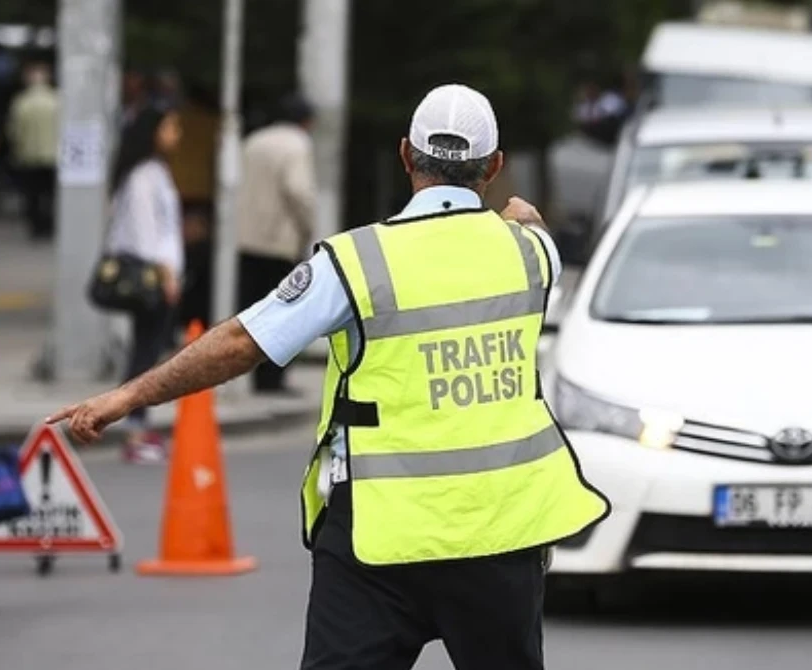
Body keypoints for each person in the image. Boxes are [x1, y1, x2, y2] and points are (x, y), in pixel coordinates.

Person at [47, 83, 611, 669]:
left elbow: (243, 341)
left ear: (404, 155)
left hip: (377, 537)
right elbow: (531, 225)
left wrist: (129, 394)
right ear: (494, 166)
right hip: (501, 535)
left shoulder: (355, 262)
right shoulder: (531, 255)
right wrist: (521, 217)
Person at [103, 102, 185, 465]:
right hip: (150, 276)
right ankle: (134, 429)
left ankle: (138, 424)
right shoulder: (142, 175)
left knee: (148, 349)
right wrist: (166, 274)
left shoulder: (154, 171)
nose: (176, 135)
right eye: (170, 127)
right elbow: (145, 233)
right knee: (145, 352)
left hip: (160, 273)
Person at [234, 93, 317, 394]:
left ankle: (254, 375)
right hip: (280, 240)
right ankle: (273, 379)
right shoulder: (298, 144)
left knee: (252, 311)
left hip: (247, 237)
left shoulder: (253, 141)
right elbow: (298, 190)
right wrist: (307, 226)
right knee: (283, 312)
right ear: (306, 121)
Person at [7, 63, 59, 240]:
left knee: (33, 194)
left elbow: (14, 131)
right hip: (53, 155)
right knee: (50, 193)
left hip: (28, 155)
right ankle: (49, 225)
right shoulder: (57, 101)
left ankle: (36, 226)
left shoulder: (21, 102)